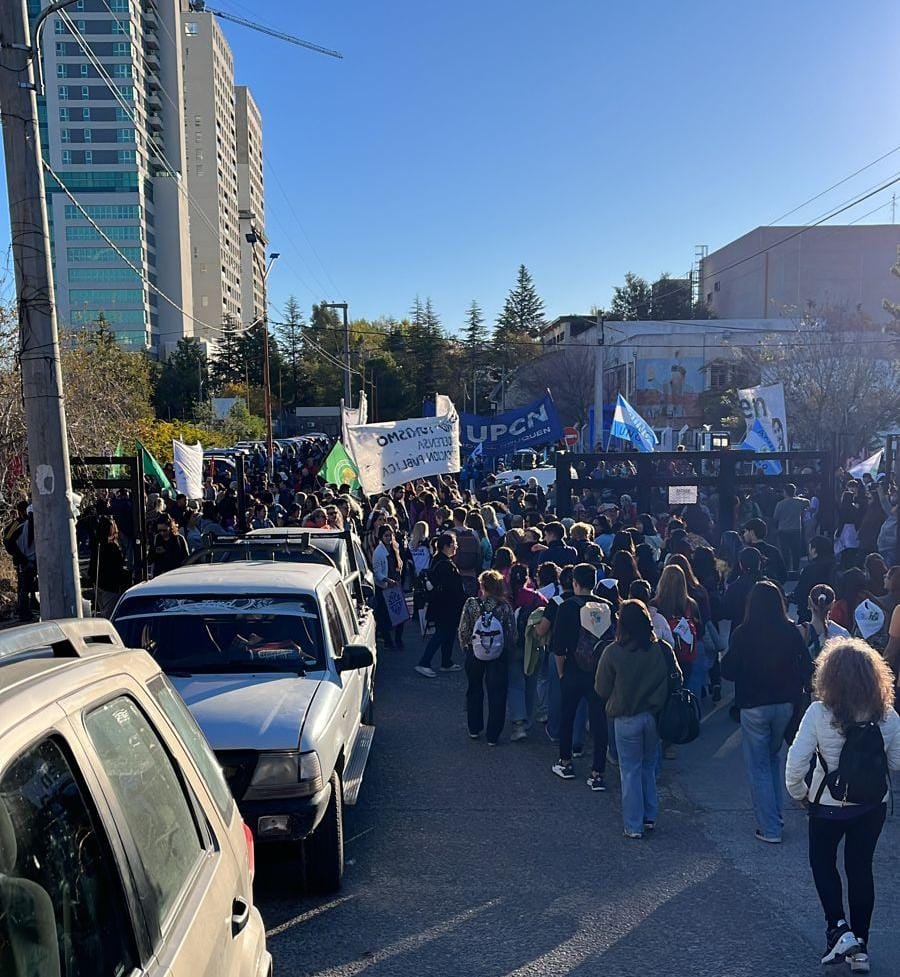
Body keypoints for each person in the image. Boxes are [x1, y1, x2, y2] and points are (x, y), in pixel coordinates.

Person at [786, 638, 900, 971]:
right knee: (860, 867)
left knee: (823, 862)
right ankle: (861, 946)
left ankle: (838, 928)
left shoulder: (820, 713)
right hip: (872, 805)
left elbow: (796, 764)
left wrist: (800, 793)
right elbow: (897, 762)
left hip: (828, 804)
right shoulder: (887, 716)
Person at [721, 581, 812, 844]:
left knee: (759, 764)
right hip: (785, 703)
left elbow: (728, 669)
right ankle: (776, 814)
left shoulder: (743, 632)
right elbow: (806, 663)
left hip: (753, 704)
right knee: (773, 758)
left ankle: (770, 826)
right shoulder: (790, 630)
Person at [595, 599, 678, 839]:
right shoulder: (661, 649)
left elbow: (601, 688)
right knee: (649, 767)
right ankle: (650, 814)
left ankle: (633, 824)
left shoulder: (613, 652)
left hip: (625, 716)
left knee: (629, 770)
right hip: (653, 716)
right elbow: (677, 678)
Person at [551, 563, 613, 791]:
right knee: (599, 721)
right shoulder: (606, 606)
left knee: (568, 716)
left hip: (573, 669)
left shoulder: (567, 607)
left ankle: (565, 762)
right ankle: (597, 773)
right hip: (599, 671)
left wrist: (561, 672)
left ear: (575, 582)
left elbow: (558, 645)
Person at [458, 570, 517, 745]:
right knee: (497, 693)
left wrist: (467, 647)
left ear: (482, 586)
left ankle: (474, 728)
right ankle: (493, 734)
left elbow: (463, 630)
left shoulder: (471, 604)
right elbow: (512, 633)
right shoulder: (505, 607)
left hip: (475, 652)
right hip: (498, 653)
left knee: (474, 689)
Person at [508, 564, 548, 741]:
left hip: (512, 645)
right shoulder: (536, 597)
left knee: (515, 683)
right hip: (533, 644)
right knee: (531, 682)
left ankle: (518, 722)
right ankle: (528, 720)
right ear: (527, 578)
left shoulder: (506, 596)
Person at [417, 532, 466, 677]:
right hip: (446, 607)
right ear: (446, 546)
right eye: (454, 544)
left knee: (448, 634)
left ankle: (446, 662)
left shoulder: (437, 559)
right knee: (441, 634)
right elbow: (451, 588)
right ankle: (424, 662)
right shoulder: (445, 564)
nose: (456, 547)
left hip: (440, 605)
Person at [373, 525, 405, 650]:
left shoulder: (394, 548)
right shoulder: (378, 552)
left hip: (396, 585)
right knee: (385, 617)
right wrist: (387, 580)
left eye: (390, 535)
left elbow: (400, 564)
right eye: (386, 535)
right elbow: (377, 572)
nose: (389, 538)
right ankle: (388, 642)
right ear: (381, 537)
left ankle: (398, 639)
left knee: (400, 616)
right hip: (385, 587)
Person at [93, 515, 131, 618]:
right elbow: (116, 568)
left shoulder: (97, 544)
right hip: (110, 586)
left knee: (103, 610)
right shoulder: (113, 547)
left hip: (99, 583)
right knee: (110, 614)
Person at [792, 536, 836, 623]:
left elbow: (800, 593)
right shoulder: (835, 567)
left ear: (814, 550)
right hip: (832, 613)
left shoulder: (809, 570)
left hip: (809, 615)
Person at [723, 546, 766, 626]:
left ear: (741, 565)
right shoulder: (771, 585)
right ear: (759, 563)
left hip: (741, 629)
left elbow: (727, 613)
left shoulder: (734, 587)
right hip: (767, 630)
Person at [772, 483, 807, 574]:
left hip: (783, 530)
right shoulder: (800, 502)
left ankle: (787, 569)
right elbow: (808, 502)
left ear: (785, 492)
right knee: (796, 551)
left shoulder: (780, 504)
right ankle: (796, 570)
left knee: (785, 551)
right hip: (796, 529)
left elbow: (775, 517)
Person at [742, 518, 787, 585]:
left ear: (751, 532)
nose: (744, 535)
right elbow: (783, 575)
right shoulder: (774, 551)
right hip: (771, 590)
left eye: (745, 531)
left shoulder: (746, 553)